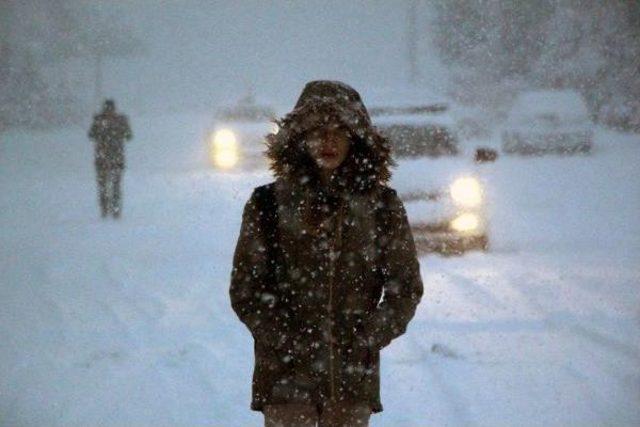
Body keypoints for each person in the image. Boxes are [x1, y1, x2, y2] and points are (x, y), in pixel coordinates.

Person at [230, 81, 424, 427]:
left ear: (356, 138)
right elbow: (246, 289)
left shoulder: (381, 206)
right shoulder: (268, 204)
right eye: (318, 130)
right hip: (285, 381)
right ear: (300, 137)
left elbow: (405, 288)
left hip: (350, 382)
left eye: (339, 131)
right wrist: (286, 340)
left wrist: (367, 338)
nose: (328, 141)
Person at [88, 99, 132, 218]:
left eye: (110, 109)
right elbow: (91, 135)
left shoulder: (118, 121)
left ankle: (115, 210)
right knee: (104, 188)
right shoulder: (100, 121)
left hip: (114, 160)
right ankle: (105, 210)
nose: (109, 112)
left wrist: (123, 125)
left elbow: (128, 136)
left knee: (115, 187)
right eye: (108, 110)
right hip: (104, 160)